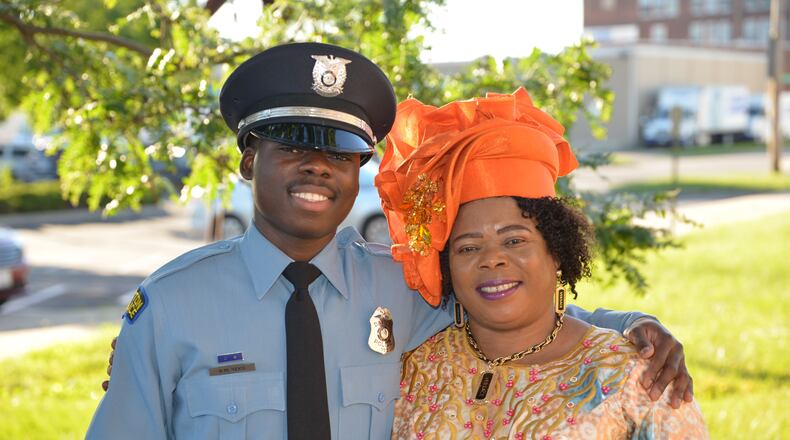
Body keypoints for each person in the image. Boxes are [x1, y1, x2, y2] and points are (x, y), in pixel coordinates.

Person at [90, 43, 692, 439]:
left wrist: (636, 326)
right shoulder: (171, 306)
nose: (318, 167)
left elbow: (512, 305)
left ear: (359, 171)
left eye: (341, 152)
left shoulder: (403, 288)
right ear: (249, 161)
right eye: (292, 144)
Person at [376, 88, 708, 439]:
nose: (492, 259)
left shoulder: (637, 377)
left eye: (514, 240)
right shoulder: (416, 368)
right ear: (446, 267)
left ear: (557, 250)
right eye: (468, 248)